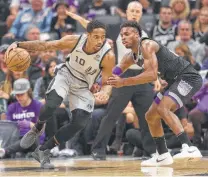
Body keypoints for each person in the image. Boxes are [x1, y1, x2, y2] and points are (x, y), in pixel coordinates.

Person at [6, 20, 115, 169]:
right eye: (96, 36)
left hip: (83, 86)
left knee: (79, 123)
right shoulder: (74, 41)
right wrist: (20, 44)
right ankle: (38, 127)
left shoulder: (108, 55)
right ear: (87, 35)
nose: (100, 40)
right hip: (66, 75)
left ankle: (43, 151)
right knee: (52, 105)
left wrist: (105, 92)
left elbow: (107, 81)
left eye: (103, 37)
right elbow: (46, 45)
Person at [66, 1, 157, 160]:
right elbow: (93, 27)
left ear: (141, 14)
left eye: (138, 11)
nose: (135, 13)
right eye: (132, 11)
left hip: (142, 78)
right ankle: (98, 150)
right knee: (111, 115)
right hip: (122, 77)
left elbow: (152, 57)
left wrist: (158, 76)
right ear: (126, 13)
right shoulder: (117, 29)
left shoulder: (146, 32)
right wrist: (78, 18)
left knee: (147, 116)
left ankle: (148, 151)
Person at [106, 21, 203, 166]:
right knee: (150, 116)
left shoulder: (147, 45)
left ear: (137, 35)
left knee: (163, 108)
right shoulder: (129, 57)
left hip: (188, 77)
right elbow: (113, 73)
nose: (123, 38)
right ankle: (163, 154)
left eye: (126, 34)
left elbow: (151, 75)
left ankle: (188, 147)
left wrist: (124, 82)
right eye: (121, 35)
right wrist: (97, 81)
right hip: (172, 82)